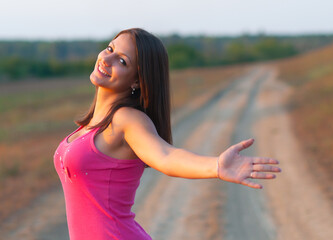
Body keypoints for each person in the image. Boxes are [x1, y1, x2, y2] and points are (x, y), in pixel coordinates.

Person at [53, 28, 281, 240]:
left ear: (136, 80)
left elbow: (166, 156)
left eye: (122, 61)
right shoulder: (92, 125)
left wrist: (216, 166)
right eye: (110, 49)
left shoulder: (126, 119)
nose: (106, 59)